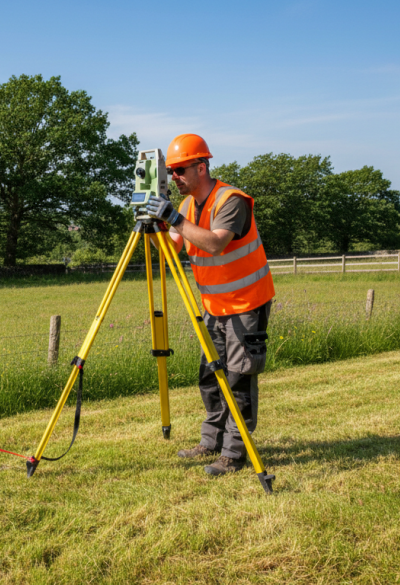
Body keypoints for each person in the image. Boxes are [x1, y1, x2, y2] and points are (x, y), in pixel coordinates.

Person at [144, 133, 275, 477]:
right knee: (210, 376)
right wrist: (155, 227)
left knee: (238, 378)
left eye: (180, 170)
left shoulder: (231, 200)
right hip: (213, 306)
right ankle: (211, 441)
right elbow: (172, 248)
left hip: (246, 304)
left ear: (201, 167)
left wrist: (174, 219)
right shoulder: (188, 206)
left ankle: (234, 453)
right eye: (170, 171)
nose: (174, 177)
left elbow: (216, 244)